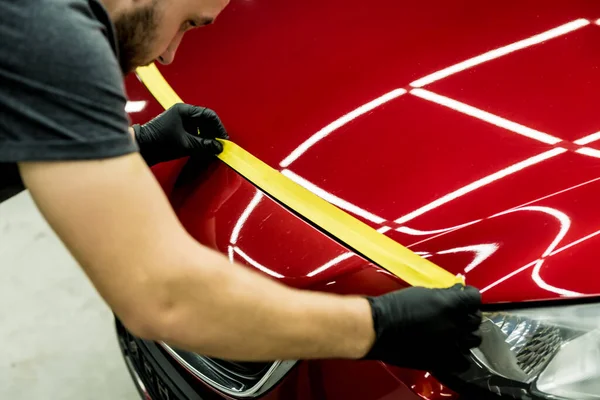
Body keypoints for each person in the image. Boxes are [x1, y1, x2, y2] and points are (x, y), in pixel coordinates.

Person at [0, 0, 482, 374]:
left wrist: (129, 143)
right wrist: (379, 328)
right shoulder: (53, 29)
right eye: (191, 21)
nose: (167, 55)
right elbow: (164, 297)